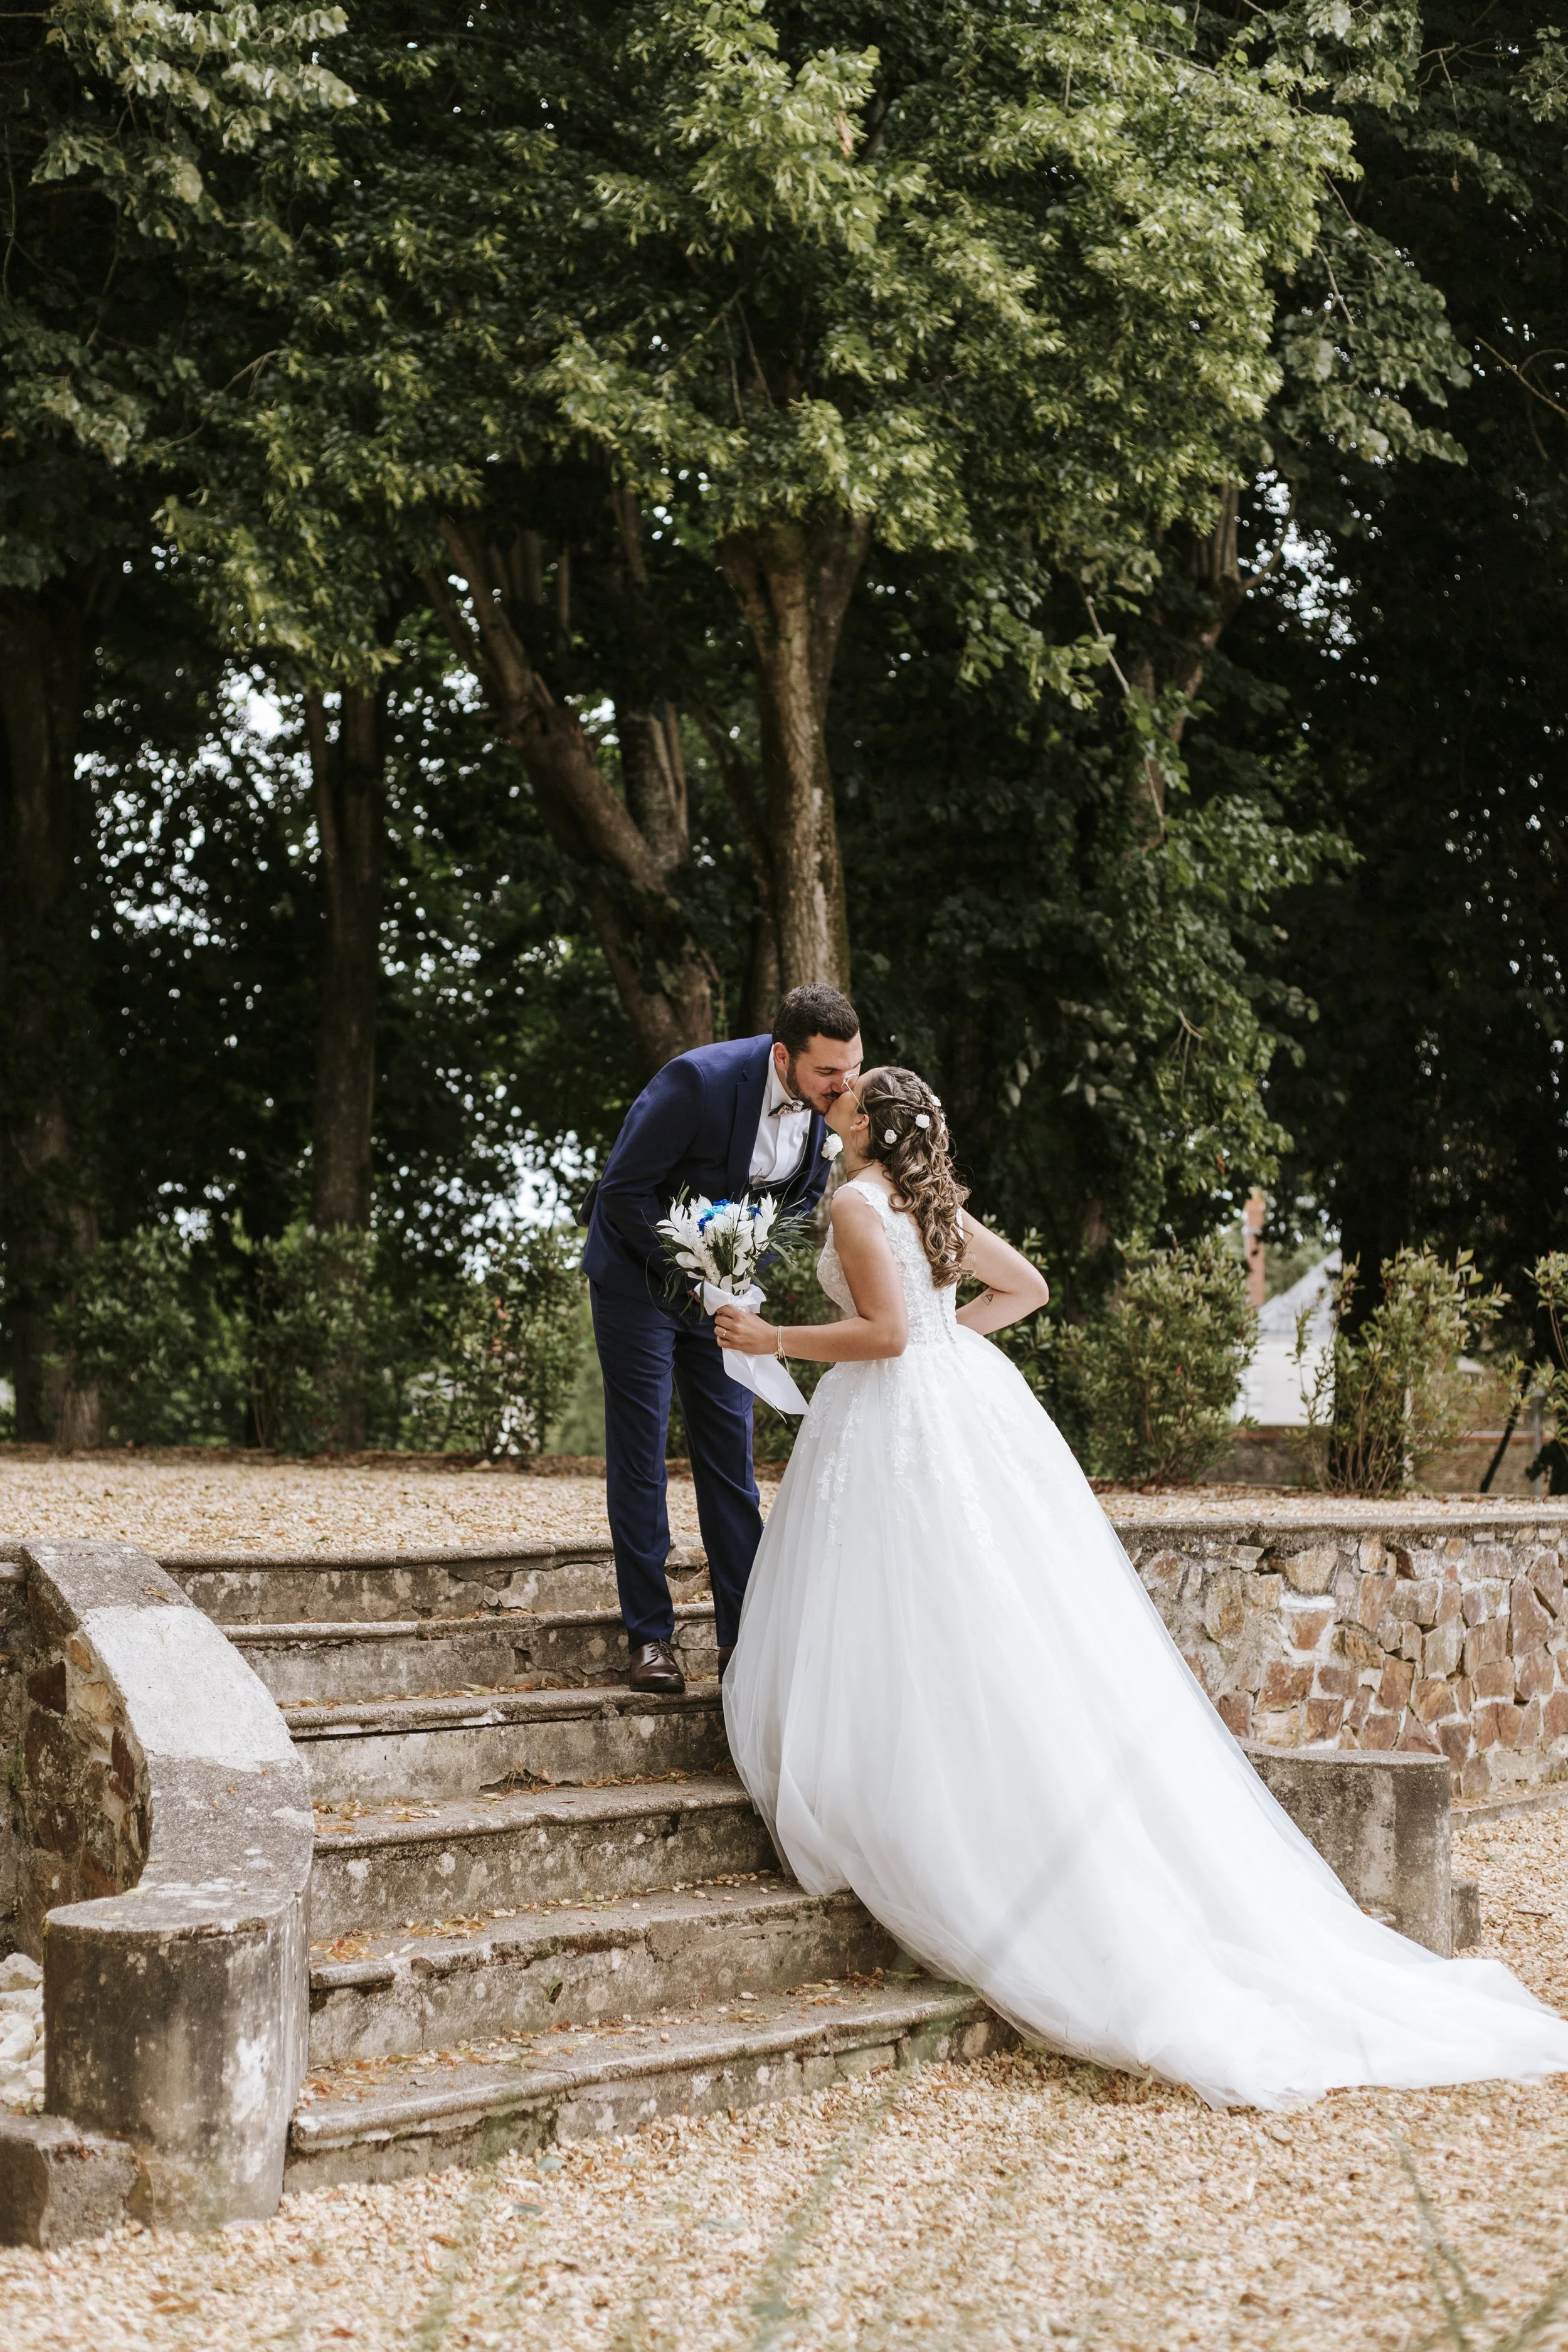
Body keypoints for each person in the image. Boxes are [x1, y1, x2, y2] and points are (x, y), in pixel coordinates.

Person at [712, 1066, 1568, 2109]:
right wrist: (946, 1352)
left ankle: (906, 1808)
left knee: (904, 1610)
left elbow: (887, 1335)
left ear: (865, 1125)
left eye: (842, 1104)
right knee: (981, 1618)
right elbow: (1021, 1289)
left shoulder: (855, 1200)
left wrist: (776, 1341)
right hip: (961, 1405)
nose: (829, 1111)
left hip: (891, 1417)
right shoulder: (932, 1201)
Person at [581, 985, 862, 1693]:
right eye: (829, 1071)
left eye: (852, 1067)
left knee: (731, 1465)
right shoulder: (695, 1083)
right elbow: (621, 1192)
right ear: (782, 1056)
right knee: (642, 1458)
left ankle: (747, 1644)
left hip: (725, 1300)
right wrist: (696, 1277)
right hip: (638, 1286)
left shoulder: (829, 1109)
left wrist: (738, 1275)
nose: (845, 1085)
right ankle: (650, 1638)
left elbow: (796, 1199)